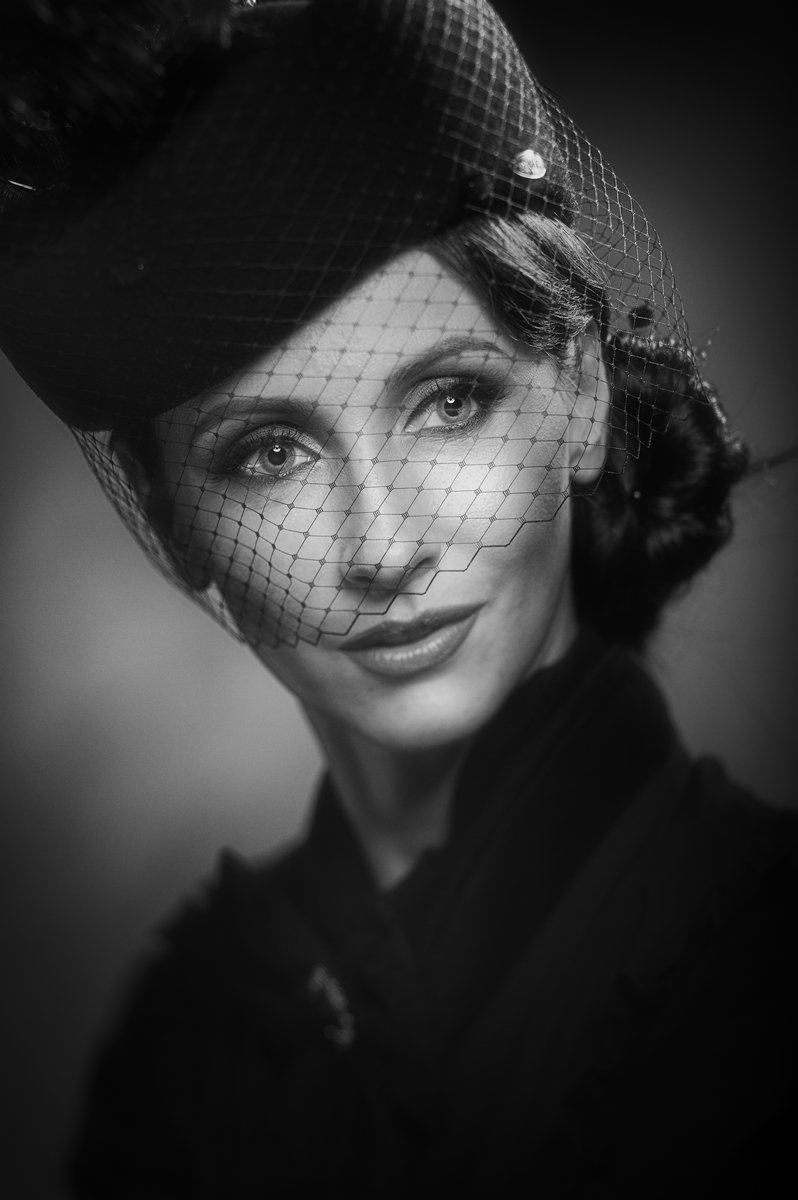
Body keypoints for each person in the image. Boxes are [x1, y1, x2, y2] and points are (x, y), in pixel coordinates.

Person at [0, 1, 795, 1196]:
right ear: (175, 529)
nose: (383, 546)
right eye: (270, 453)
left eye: (451, 403)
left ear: (579, 395)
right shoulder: (188, 1035)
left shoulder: (769, 975)